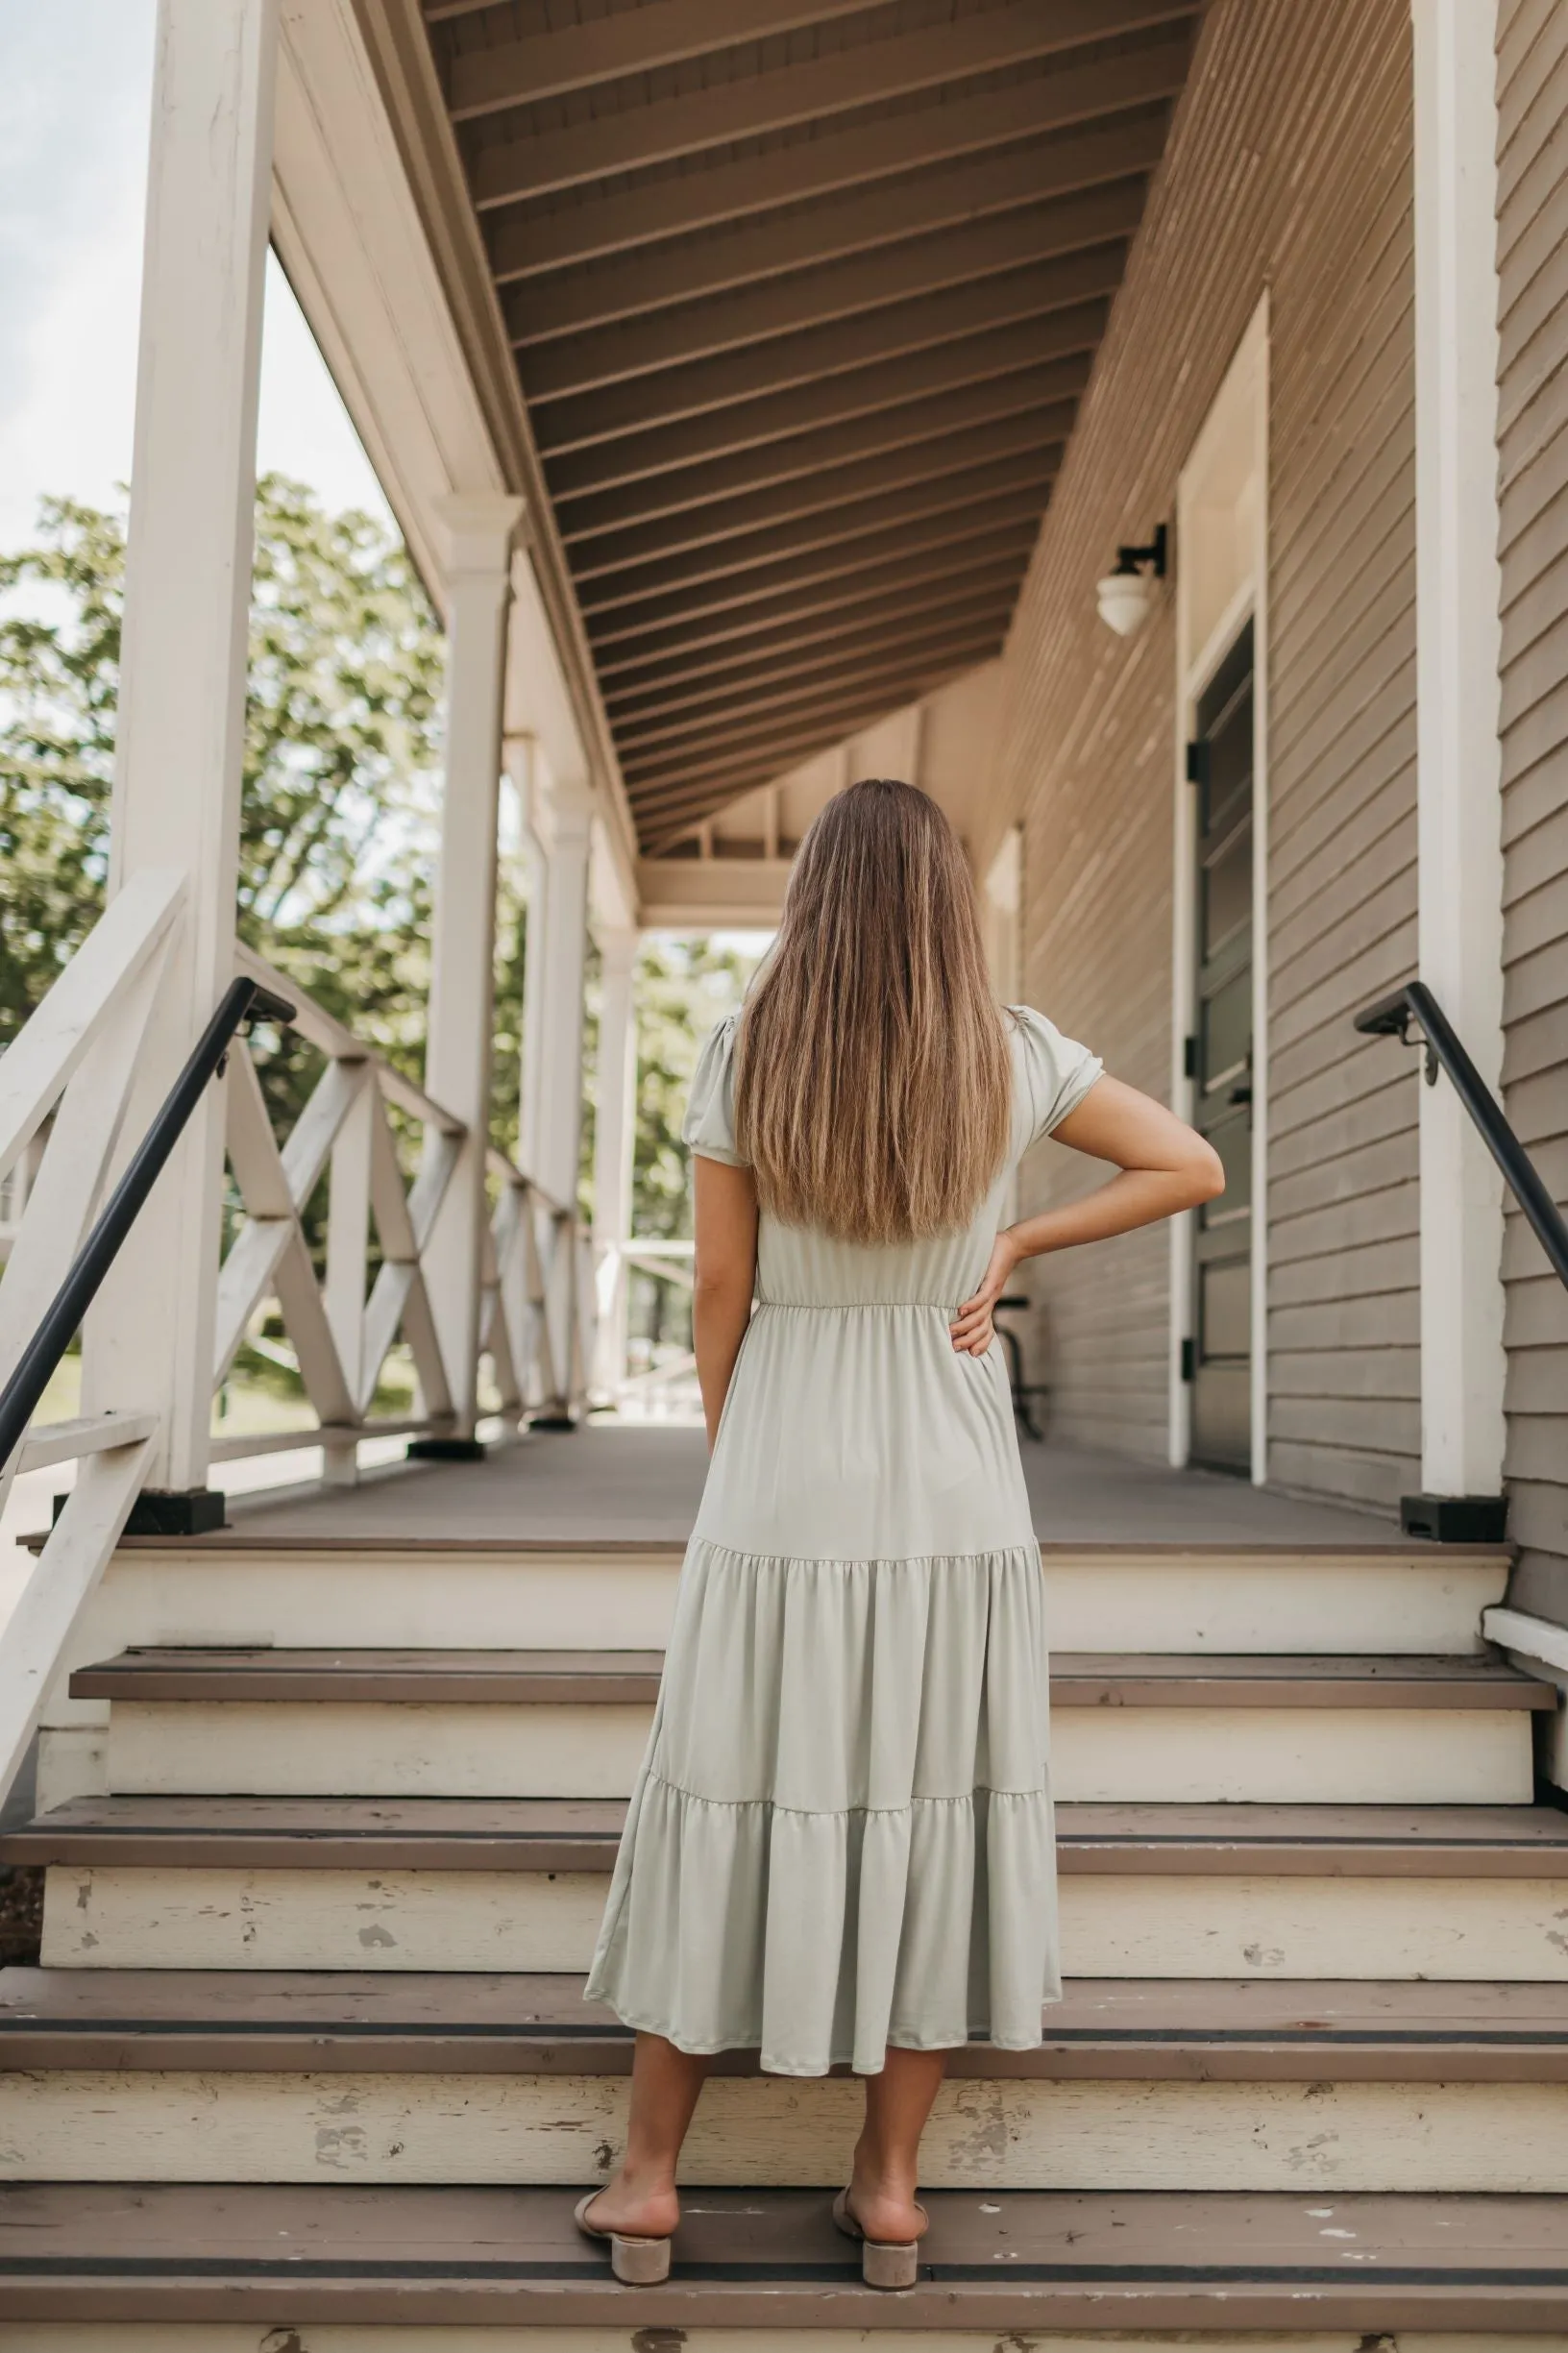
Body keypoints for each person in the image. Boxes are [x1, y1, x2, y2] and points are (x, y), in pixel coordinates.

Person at [576, 776, 1223, 2288]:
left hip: (785, 1454)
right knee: (938, 1796)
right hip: (953, 1463)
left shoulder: (754, 1047)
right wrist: (1016, 1237)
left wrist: (739, 1450)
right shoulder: (1012, 1054)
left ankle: (655, 2182)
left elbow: (722, 1294)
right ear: (948, 901)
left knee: (726, 1784)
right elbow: (1189, 1163)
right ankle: (887, 2191)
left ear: (813, 894)